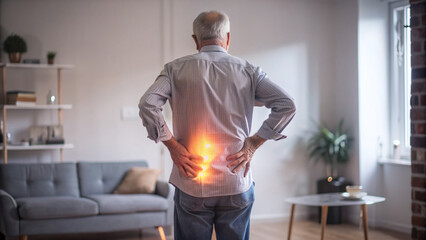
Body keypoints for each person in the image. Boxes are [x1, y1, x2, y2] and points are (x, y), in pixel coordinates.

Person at [139, 10, 296, 240]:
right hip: (236, 181)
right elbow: (286, 104)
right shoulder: (249, 71)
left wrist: (173, 147)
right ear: (228, 38)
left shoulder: (175, 70)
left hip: (193, 181)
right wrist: (254, 142)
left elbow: (148, 104)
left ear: (195, 40)